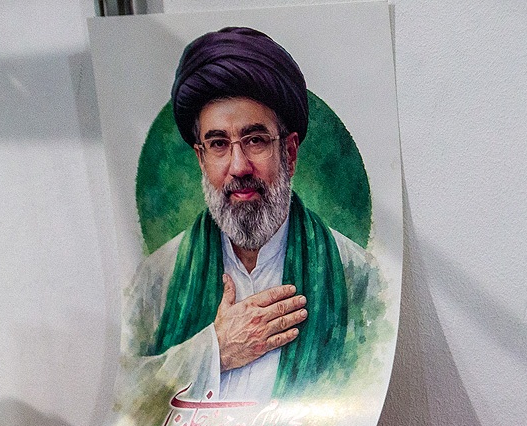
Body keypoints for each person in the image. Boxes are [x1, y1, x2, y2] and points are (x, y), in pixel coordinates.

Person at [122, 26, 381, 405]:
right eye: (218, 144)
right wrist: (215, 350)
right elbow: (124, 401)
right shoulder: (156, 279)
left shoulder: (357, 276)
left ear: (289, 153)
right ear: (201, 159)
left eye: (256, 140)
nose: (239, 166)